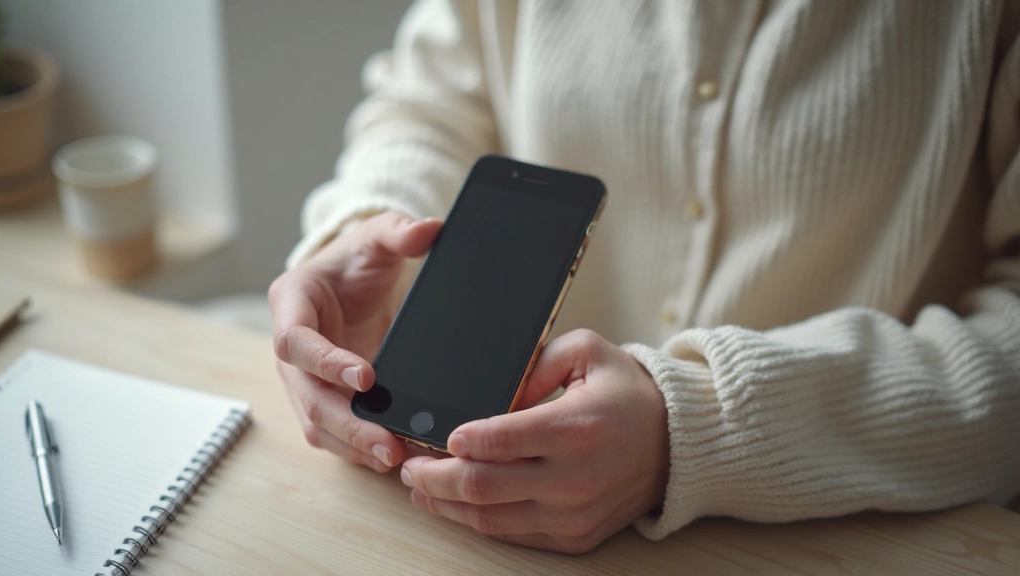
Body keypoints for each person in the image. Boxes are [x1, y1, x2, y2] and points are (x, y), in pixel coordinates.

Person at [269, 0, 1020, 554]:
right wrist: (365, 226)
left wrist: (694, 425)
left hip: (859, 545)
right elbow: (427, 103)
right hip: (479, 519)